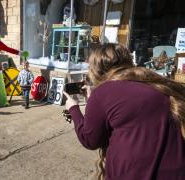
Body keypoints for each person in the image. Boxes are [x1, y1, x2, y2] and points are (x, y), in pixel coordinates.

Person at [63, 43, 185, 180]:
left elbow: (90, 139)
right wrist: (95, 101)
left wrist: (73, 109)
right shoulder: (154, 81)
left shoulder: (103, 93)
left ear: (96, 69)